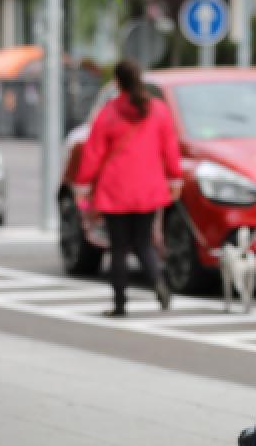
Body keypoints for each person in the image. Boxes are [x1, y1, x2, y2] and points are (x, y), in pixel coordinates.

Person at [74, 61, 182, 317]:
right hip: (148, 187)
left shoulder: (109, 113)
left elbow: (93, 153)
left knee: (119, 248)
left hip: (115, 189)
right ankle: (158, 282)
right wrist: (175, 179)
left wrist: (83, 184)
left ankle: (120, 303)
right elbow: (170, 149)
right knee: (144, 243)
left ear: (117, 82)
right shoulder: (159, 111)